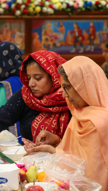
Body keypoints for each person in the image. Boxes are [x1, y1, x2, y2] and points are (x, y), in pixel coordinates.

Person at [0, 50, 70, 153]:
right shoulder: (27, 95)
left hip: (65, 166)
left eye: (38, 78)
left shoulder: (70, 98)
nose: (31, 83)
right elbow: (2, 115)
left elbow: (81, 144)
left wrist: (57, 143)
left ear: (54, 76)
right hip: (30, 161)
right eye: (29, 77)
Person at [30, 56, 108, 191]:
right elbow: (80, 154)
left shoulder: (98, 121)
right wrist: (57, 141)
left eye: (67, 87)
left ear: (85, 85)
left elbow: (91, 176)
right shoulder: (81, 113)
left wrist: (54, 152)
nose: (64, 95)